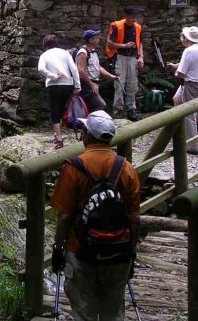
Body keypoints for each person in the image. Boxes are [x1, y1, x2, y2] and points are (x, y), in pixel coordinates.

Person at [50, 110, 141, 321]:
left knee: (83, 309)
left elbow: (64, 216)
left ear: (88, 135)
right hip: (118, 250)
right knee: (114, 307)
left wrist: (58, 248)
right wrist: (131, 249)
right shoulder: (126, 168)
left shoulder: (74, 167)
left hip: (81, 249)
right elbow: (134, 217)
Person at [167, 26, 198, 154]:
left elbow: (179, 74)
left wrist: (176, 72)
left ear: (186, 38)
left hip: (192, 84)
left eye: (183, 36)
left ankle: (192, 146)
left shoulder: (189, 51)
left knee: (189, 114)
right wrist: (176, 65)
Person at [37, 35, 81, 149]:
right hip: (68, 84)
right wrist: (77, 84)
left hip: (53, 85)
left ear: (45, 45)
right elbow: (74, 68)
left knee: (55, 111)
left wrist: (53, 76)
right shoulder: (65, 53)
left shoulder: (44, 55)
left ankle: (59, 139)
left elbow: (40, 69)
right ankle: (57, 134)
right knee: (63, 110)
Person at [105, 5, 144, 121]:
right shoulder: (117, 26)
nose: (134, 19)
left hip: (133, 58)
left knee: (132, 84)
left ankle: (131, 109)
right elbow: (109, 43)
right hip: (120, 57)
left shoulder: (138, 27)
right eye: (132, 16)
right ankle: (118, 110)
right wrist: (123, 45)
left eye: (135, 16)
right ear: (127, 16)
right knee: (119, 83)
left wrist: (141, 57)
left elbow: (140, 43)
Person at [76, 30, 119, 113]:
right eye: (96, 38)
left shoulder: (94, 52)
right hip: (86, 84)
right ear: (90, 40)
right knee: (99, 105)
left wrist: (111, 76)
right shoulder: (83, 52)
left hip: (94, 83)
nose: (99, 39)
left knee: (95, 107)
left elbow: (98, 67)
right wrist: (91, 85)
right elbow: (80, 70)